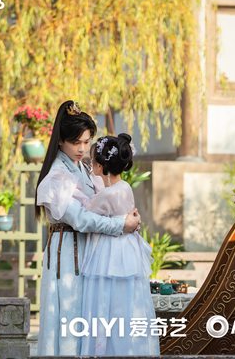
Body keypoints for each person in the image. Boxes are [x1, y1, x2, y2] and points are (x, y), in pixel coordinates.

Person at [35, 100, 141, 356]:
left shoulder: (84, 168)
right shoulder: (57, 177)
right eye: (76, 142)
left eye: (86, 141)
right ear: (61, 141)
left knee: (89, 316)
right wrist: (121, 224)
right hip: (67, 255)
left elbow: (102, 203)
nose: (82, 148)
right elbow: (81, 219)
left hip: (90, 250)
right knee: (70, 317)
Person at [79, 133, 159, 355]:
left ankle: (105, 349)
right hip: (128, 248)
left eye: (93, 161)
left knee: (106, 301)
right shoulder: (125, 187)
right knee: (128, 302)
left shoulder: (106, 195)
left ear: (100, 165)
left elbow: (85, 214)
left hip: (110, 250)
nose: (91, 165)